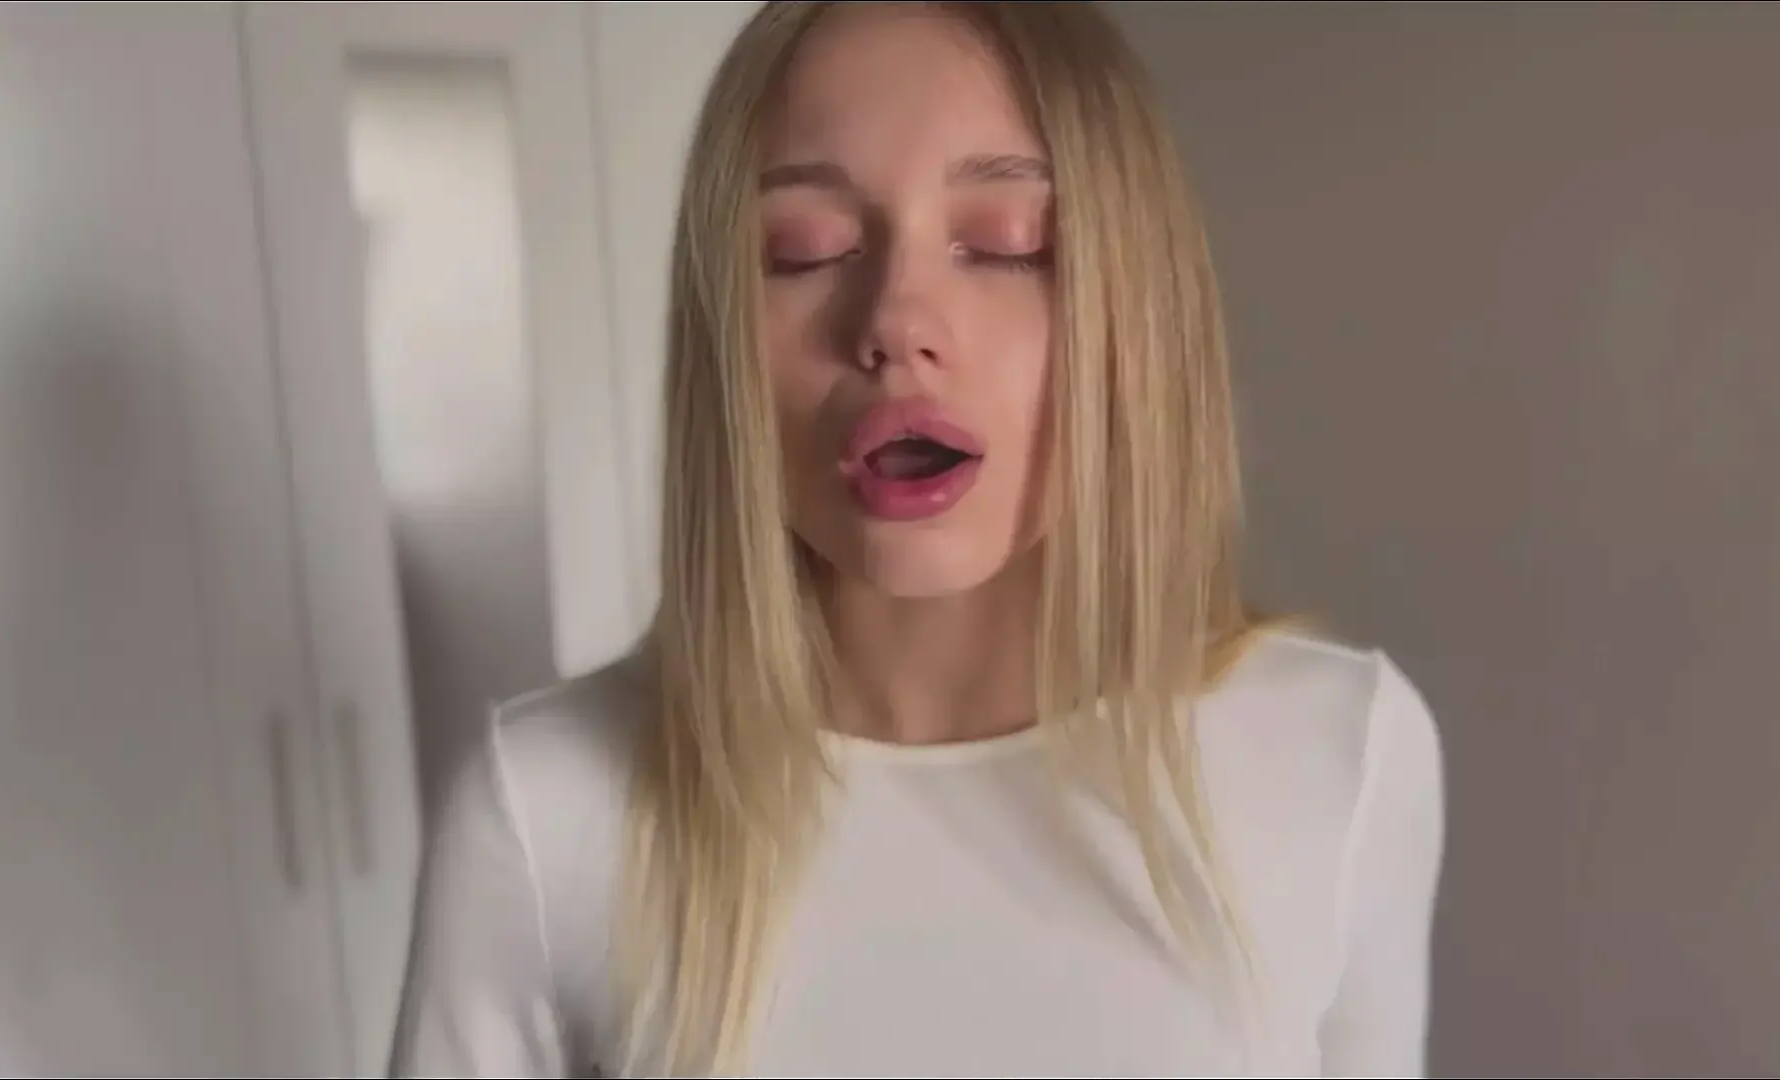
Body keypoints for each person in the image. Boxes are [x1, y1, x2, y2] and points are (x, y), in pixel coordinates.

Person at [390, 2, 1446, 1076]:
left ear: (1139, 306)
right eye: (805, 252)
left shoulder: (1342, 756)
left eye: (1005, 245)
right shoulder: (544, 813)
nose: (895, 321)